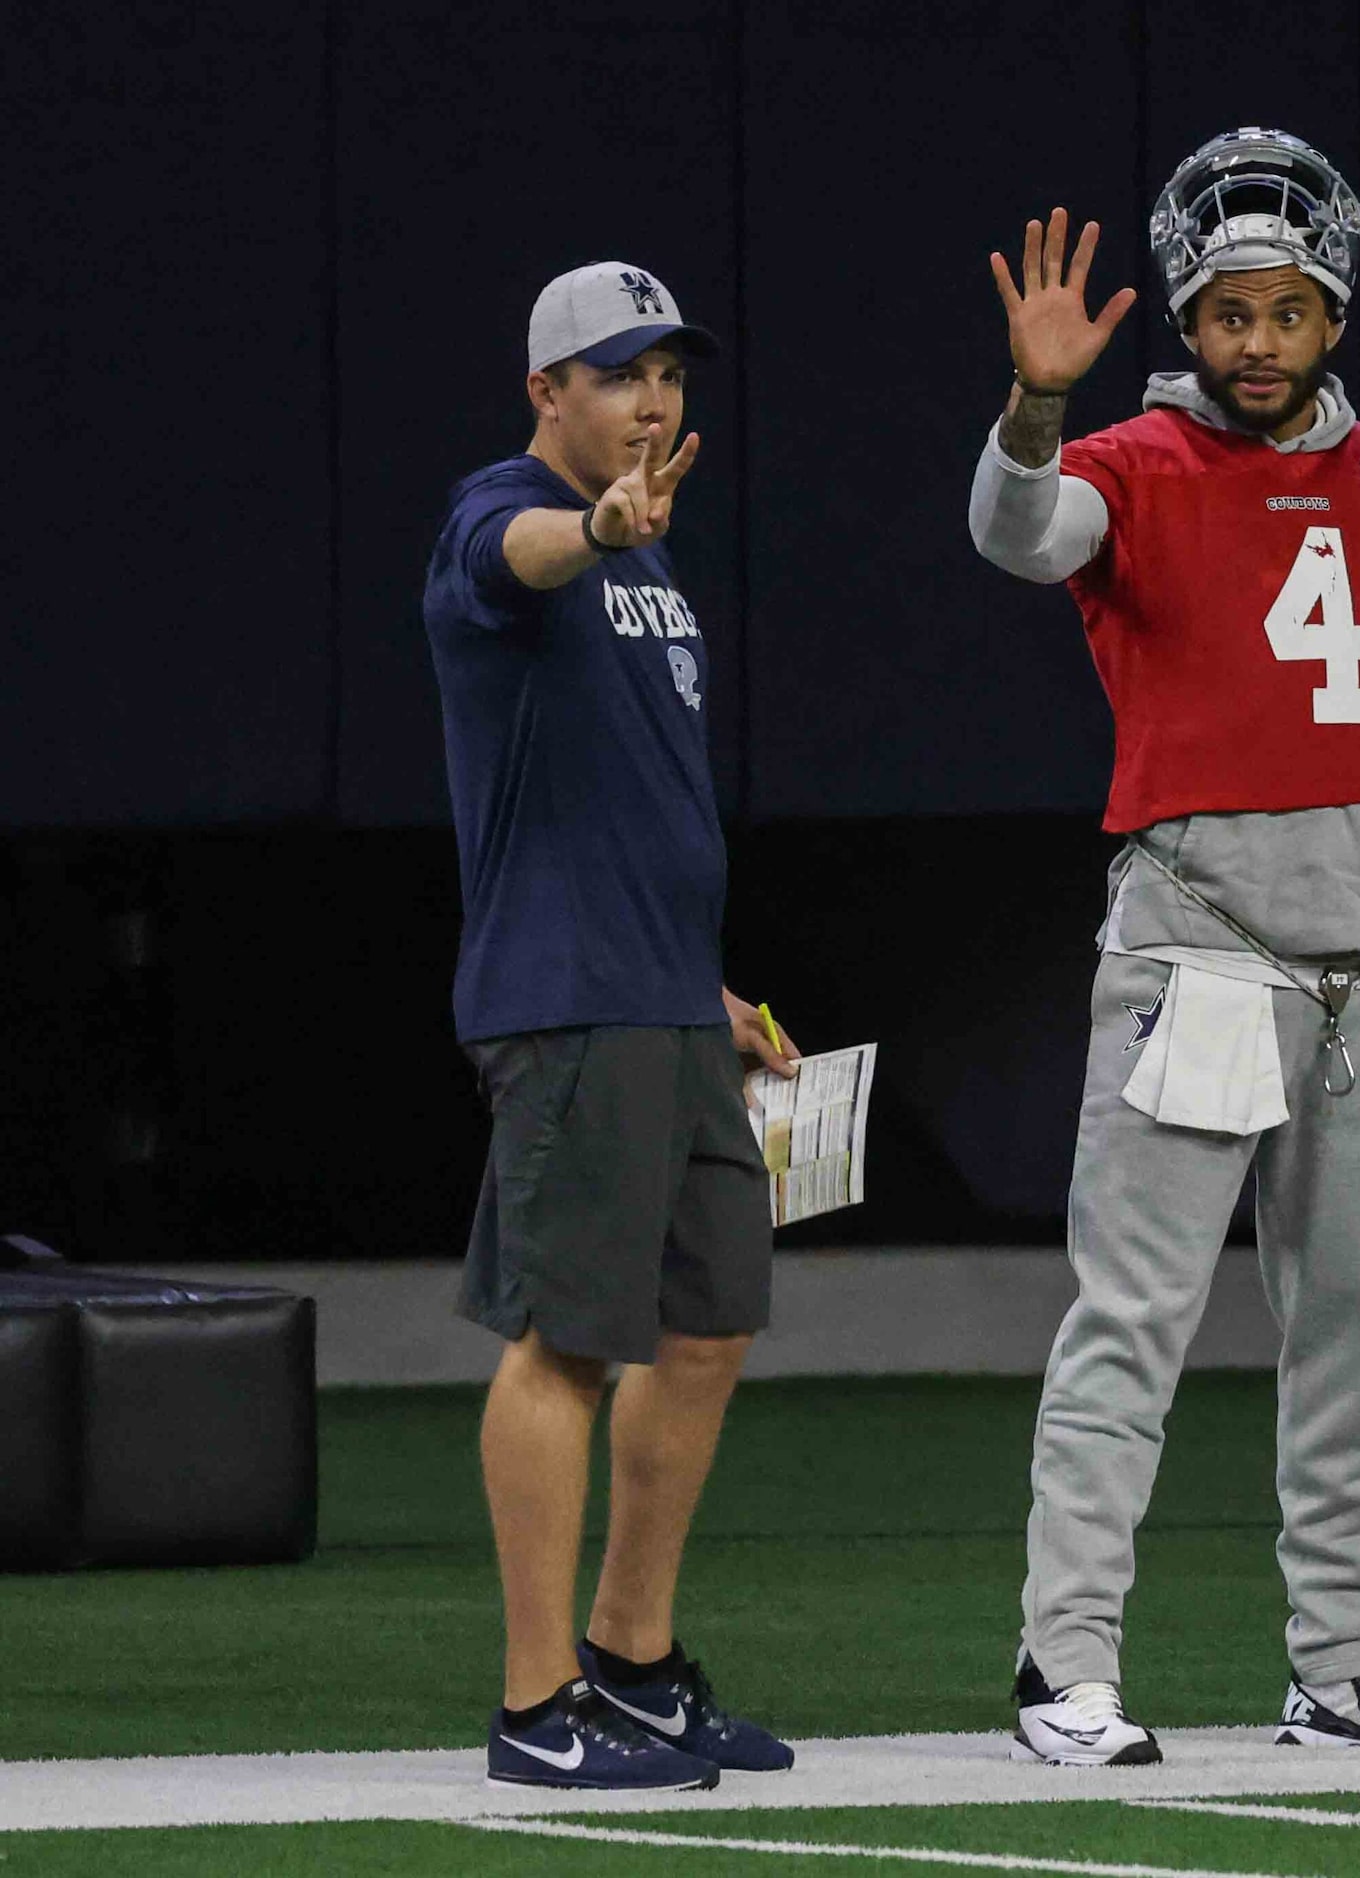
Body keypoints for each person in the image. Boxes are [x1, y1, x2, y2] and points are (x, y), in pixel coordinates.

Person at [966, 128, 1360, 1766]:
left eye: (1284, 313)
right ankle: (1065, 1663)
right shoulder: (1130, 464)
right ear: (1189, 312)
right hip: (1208, 950)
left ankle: (1343, 1662)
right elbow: (1016, 537)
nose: (1254, 343)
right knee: (1135, 1314)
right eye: (1228, 313)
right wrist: (1033, 401)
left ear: (1332, 314)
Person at [423, 262, 800, 1791]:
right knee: (568, 1339)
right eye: (617, 371)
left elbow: (629, 802)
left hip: (663, 999)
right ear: (546, 393)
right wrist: (590, 528)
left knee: (707, 1329)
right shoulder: (503, 513)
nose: (652, 399)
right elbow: (511, 559)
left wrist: (704, 987)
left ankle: (633, 1662)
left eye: (669, 373)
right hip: (567, 1002)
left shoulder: (657, 563)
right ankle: (533, 1705)